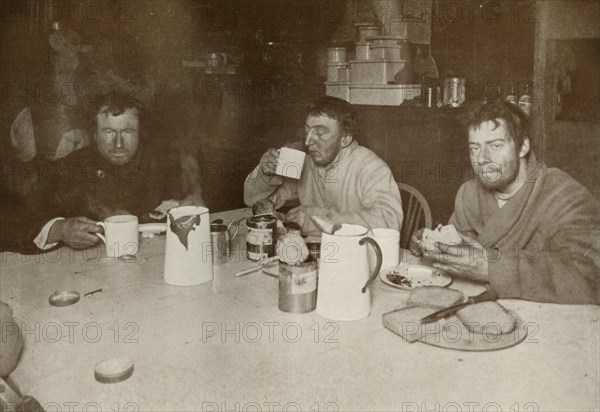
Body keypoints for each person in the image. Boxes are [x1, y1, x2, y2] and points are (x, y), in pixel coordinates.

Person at [411, 100, 599, 305]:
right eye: (475, 148)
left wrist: (491, 268)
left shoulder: (565, 196)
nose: (482, 158)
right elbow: (459, 257)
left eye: (495, 145)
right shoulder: (468, 194)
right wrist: (434, 247)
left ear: (523, 146)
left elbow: (589, 276)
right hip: (482, 311)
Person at [27, 92, 204, 250]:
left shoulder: (166, 163)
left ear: (140, 133)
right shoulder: (68, 168)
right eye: (109, 132)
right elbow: (21, 216)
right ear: (95, 135)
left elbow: (199, 208)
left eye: (127, 132)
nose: (118, 144)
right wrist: (60, 230)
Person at [244, 96, 403, 235]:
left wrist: (315, 220)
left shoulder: (371, 168)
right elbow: (253, 200)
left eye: (320, 133)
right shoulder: (307, 161)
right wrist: (265, 174)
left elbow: (390, 222)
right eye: (307, 131)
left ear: (345, 139)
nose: (308, 142)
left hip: (359, 259)